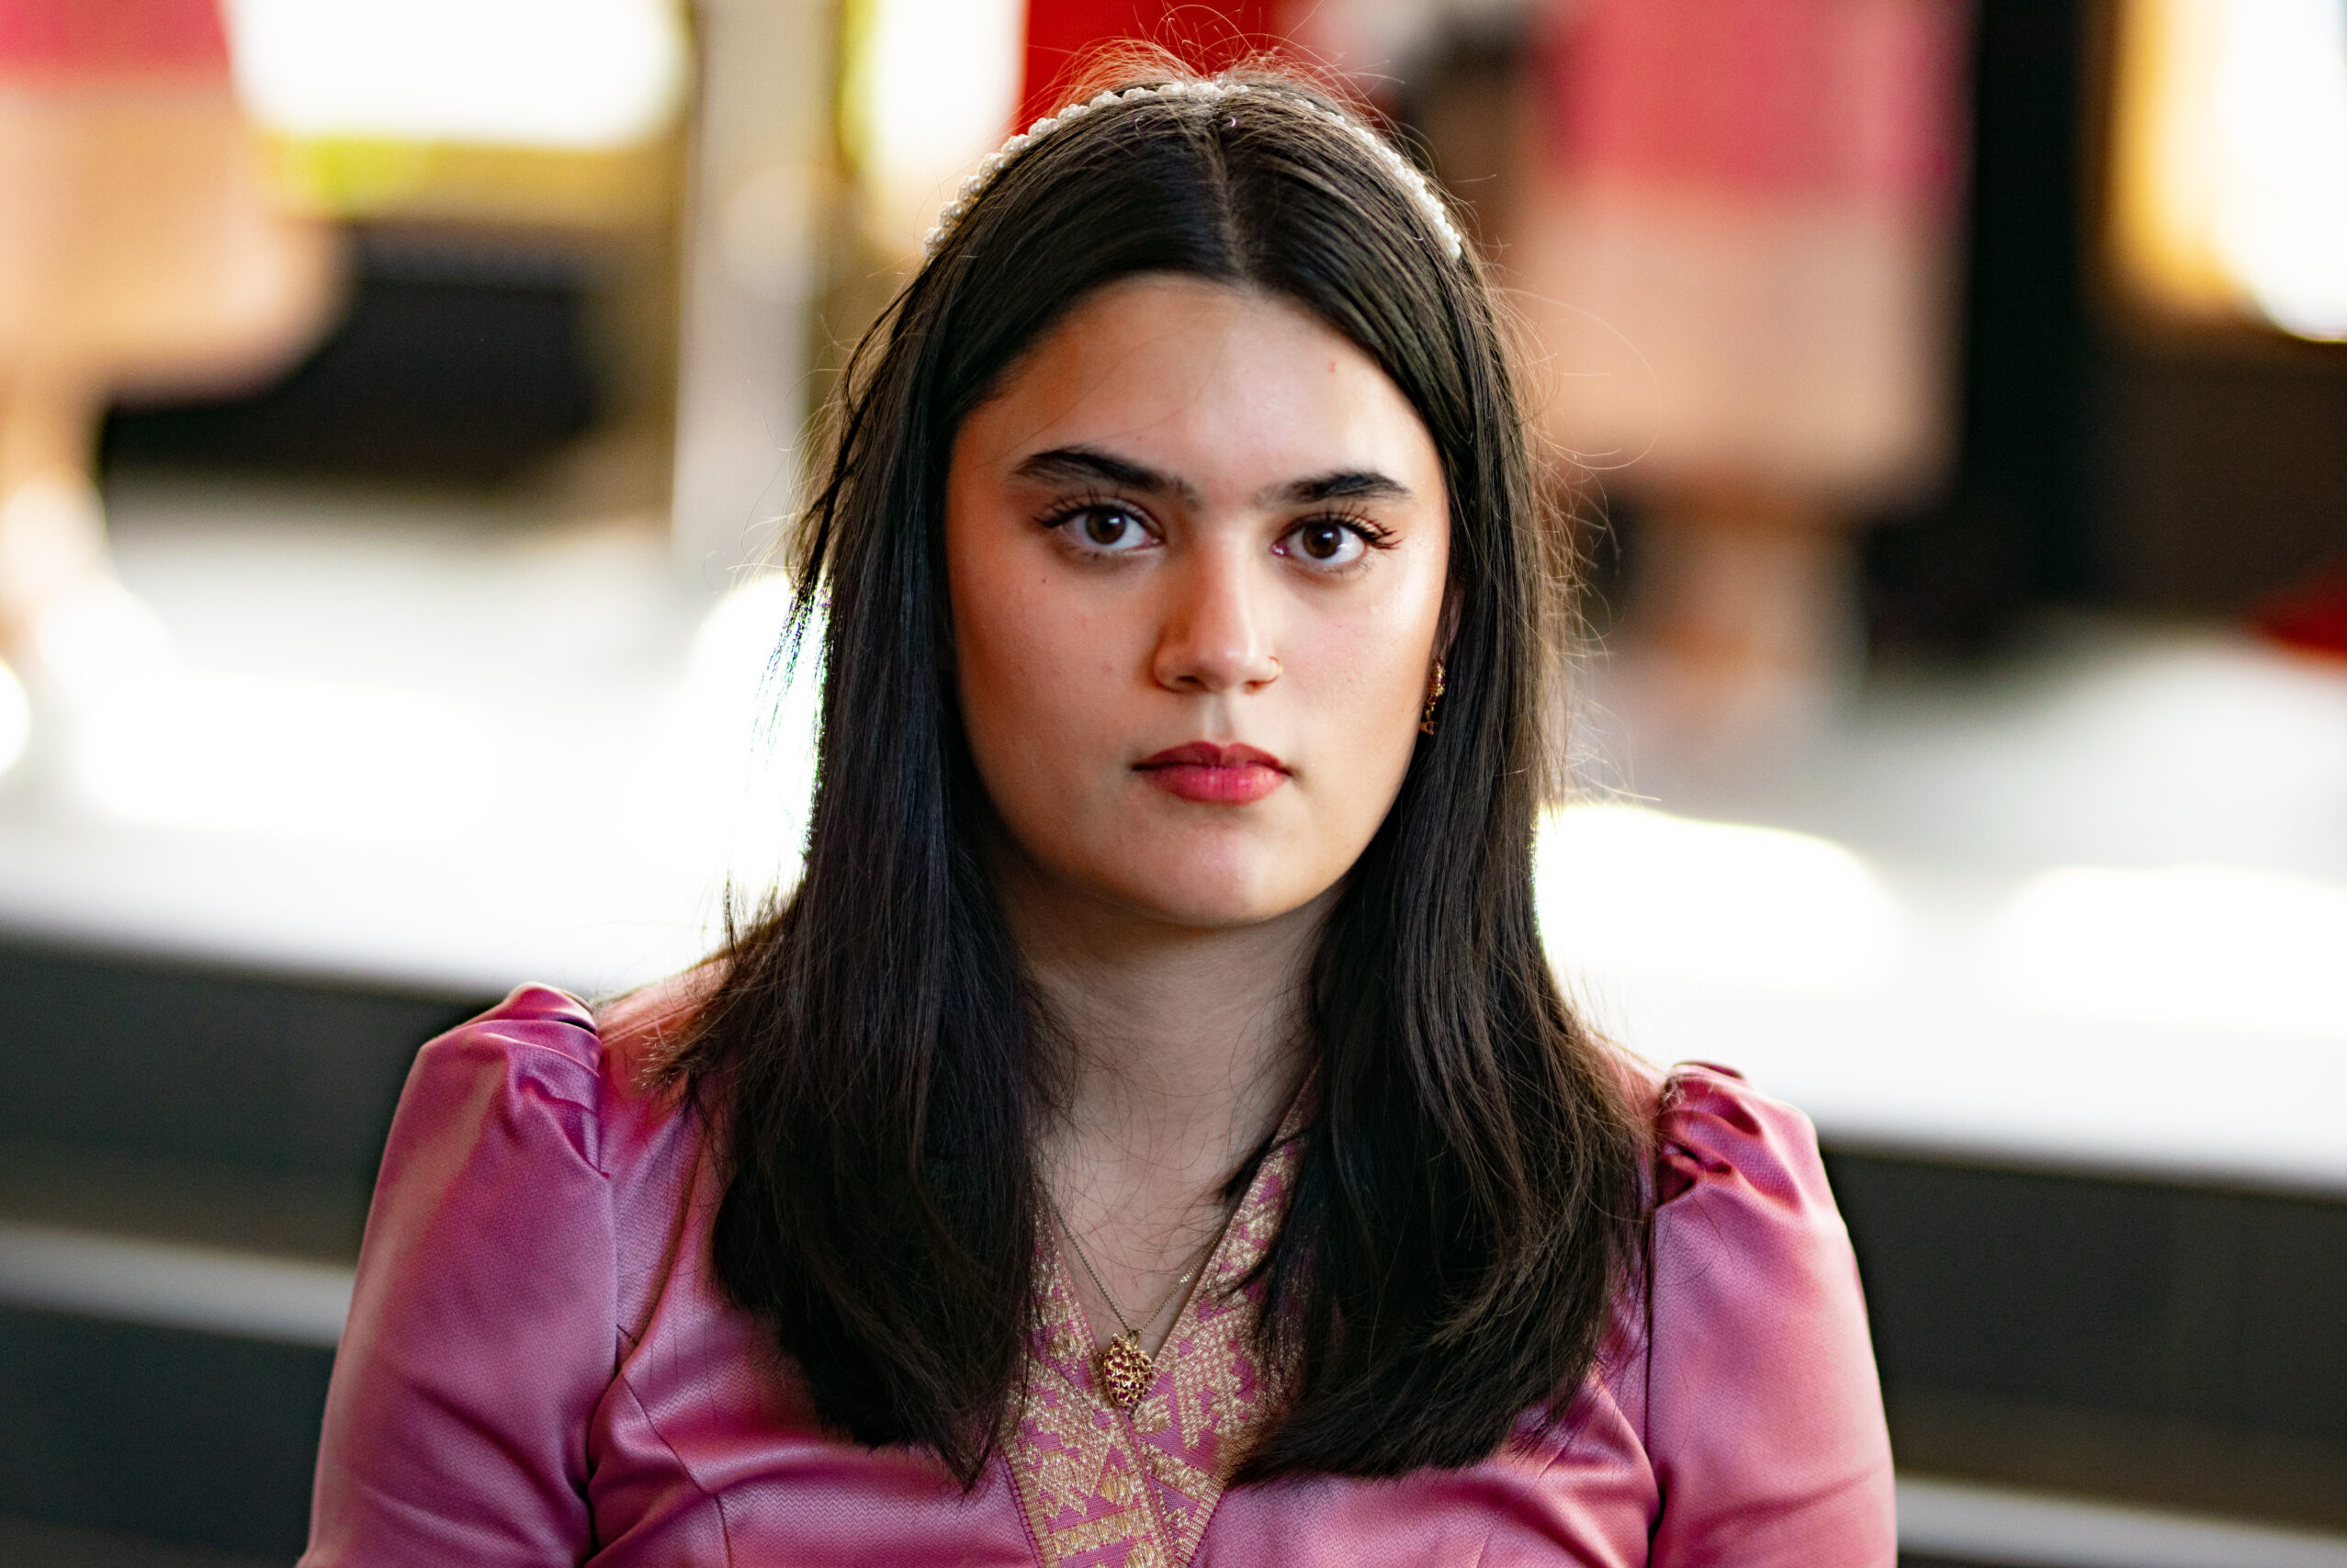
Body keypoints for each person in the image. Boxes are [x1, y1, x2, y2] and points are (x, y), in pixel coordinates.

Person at [300, 61, 1895, 1567]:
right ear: (920, 570)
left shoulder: (1684, 1252)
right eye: (1106, 524)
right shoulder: (583, 1182)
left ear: (1457, 612)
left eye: (1328, 539)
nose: (1221, 647)